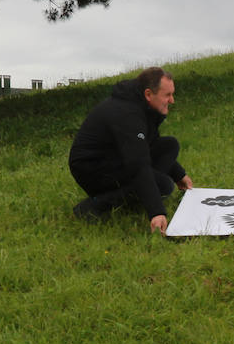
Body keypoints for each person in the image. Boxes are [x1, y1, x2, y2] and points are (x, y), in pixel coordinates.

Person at [69, 66, 194, 234]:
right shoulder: (127, 114)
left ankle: (138, 192)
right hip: (92, 168)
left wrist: (179, 175)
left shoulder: (142, 105)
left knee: (169, 145)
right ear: (148, 94)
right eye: (167, 95)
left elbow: (150, 144)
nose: (172, 100)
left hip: (114, 158)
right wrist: (156, 212)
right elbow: (138, 164)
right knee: (163, 185)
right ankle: (94, 205)